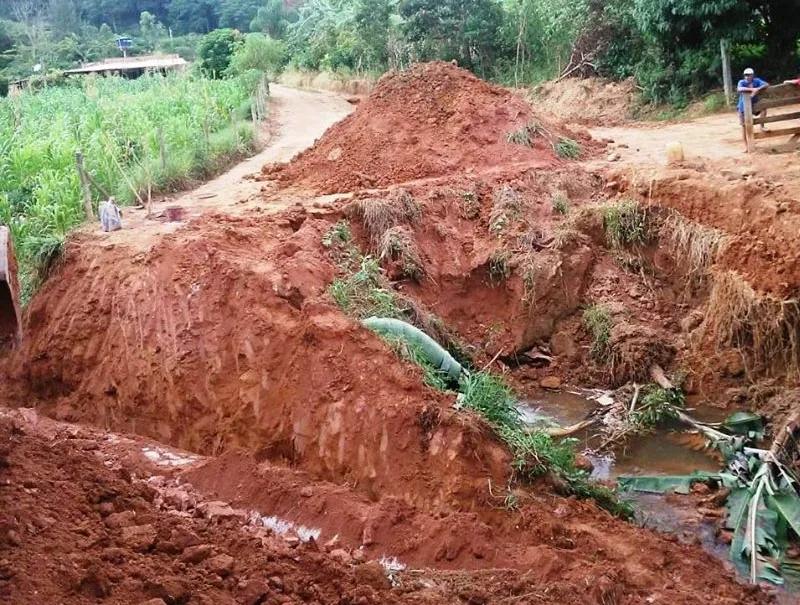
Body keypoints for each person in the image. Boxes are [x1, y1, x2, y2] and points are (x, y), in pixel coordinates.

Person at [737, 67, 769, 148]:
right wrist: (752, 89)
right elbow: (739, 88)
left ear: (752, 75)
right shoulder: (742, 82)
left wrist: (757, 89)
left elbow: (766, 84)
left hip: (754, 105)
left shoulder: (756, 81)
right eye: (745, 75)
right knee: (744, 126)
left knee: (763, 108)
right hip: (743, 107)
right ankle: (746, 145)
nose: (747, 77)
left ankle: (762, 126)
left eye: (749, 75)